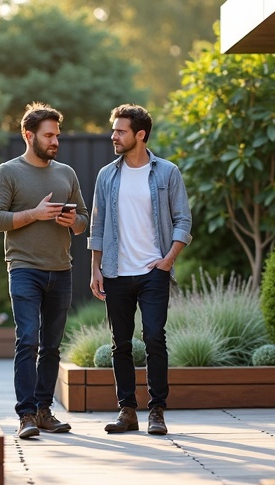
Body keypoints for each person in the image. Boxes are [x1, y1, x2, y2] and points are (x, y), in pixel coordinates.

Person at [0, 102, 89, 439]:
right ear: (29, 136)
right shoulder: (8, 172)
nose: (55, 141)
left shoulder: (66, 173)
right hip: (24, 269)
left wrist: (74, 222)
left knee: (52, 346)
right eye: (49, 136)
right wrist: (35, 213)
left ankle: (45, 411)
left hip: (61, 270)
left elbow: (84, 221)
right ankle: (26, 416)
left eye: (57, 135)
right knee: (27, 340)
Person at [88, 104, 192, 435]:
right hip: (117, 271)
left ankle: (157, 411)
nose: (113, 136)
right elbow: (98, 223)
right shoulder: (107, 175)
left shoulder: (167, 172)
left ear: (140, 135)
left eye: (120, 131)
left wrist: (168, 260)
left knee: (154, 338)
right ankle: (127, 411)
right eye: (114, 130)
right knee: (120, 343)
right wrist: (96, 268)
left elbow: (183, 219)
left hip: (153, 272)